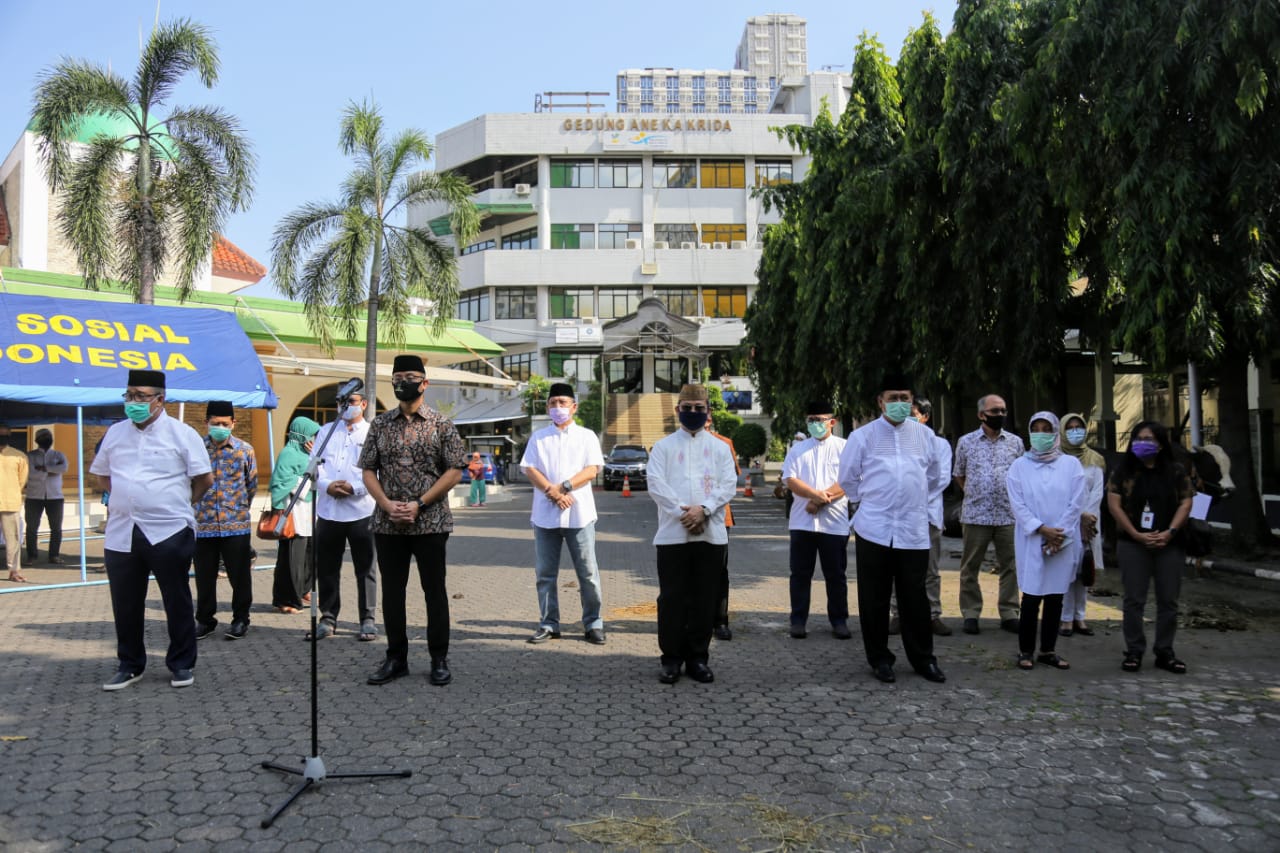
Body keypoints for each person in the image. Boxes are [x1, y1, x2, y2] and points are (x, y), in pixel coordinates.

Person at [89, 369, 213, 690]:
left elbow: (204, 479)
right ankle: (130, 664)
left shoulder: (182, 434)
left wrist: (182, 505)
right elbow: (102, 476)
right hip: (122, 531)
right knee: (126, 602)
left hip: (169, 531)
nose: (133, 402)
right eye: (129, 395)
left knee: (176, 600)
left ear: (160, 399)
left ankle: (182, 664)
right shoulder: (115, 434)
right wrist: (125, 497)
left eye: (141, 396)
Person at [359, 354, 466, 686]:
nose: (403, 382)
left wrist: (420, 502)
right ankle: (396, 658)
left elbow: (454, 470)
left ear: (424, 382)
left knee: (434, 591)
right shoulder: (379, 424)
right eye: (398, 377)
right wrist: (386, 503)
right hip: (388, 523)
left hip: (431, 522)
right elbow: (367, 469)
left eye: (410, 376)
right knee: (393, 592)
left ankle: (438, 658)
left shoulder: (441, 424)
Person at [837, 373, 947, 684]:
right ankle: (880, 659)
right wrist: (869, 501)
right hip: (875, 528)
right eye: (893, 398)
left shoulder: (924, 436)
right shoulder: (863, 437)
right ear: (880, 401)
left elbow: (937, 476)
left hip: (913, 529)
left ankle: (923, 659)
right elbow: (847, 479)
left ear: (912, 401)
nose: (899, 403)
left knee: (915, 598)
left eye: (904, 398)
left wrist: (917, 499)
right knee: (875, 597)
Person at [647, 383, 738, 684]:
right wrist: (683, 513)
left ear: (708, 412)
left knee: (704, 598)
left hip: (711, 534)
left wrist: (705, 510)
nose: (693, 413)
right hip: (673, 534)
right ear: (678, 410)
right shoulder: (663, 447)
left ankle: (698, 657)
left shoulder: (720, 448)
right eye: (687, 408)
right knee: (672, 599)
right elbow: (656, 484)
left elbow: (728, 485)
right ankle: (671, 658)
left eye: (699, 409)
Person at [519, 382, 607, 645]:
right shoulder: (538, 437)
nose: (558, 407)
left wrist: (565, 487)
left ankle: (593, 623)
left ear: (574, 406)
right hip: (546, 516)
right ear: (547, 406)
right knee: (545, 574)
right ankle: (549, 623)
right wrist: (552, 491)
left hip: (579, 515)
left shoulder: (587, 436)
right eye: (553, 402)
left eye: (563, 402)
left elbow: (593, 469)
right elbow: (529, 468)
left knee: (588, 573)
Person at [1107, 421, 1195, 674]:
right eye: (1139, 438)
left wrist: (1170, 533)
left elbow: (1186, 503)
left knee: (1168, 601)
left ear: (1160, 443)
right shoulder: (1122, 471)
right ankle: (1134, 650)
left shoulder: (1176, 471)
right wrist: (1135, 533)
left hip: (1170, 544)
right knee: (1134, 599)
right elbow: (1114, 505)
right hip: (1132, 544)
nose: (1144, 443)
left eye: (1150, 439)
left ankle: (1165, 651)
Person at [1005, 412, 1086, 671]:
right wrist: (1042, 529)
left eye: (1046, 428)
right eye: (1035, 428)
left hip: (1062, 540)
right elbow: (1017, 504)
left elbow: (1077, 501)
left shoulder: (1071, 465)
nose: (1040, 433)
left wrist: (1058, 533)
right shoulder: (1019, 466)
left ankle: (1048, 650)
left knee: (1055, 597)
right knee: (1030, 597)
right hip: (1032, 539)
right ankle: (1025, 650)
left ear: (1055, 433)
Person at [311, 388, 378, 642]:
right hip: (329, 511)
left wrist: (354, 488)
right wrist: (327, 485)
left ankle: (367, 619)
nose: (345, 406)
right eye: (341, 401)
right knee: (327, 567)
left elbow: (377, 472)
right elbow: (314, 466)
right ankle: (328, 617)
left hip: (362, 510)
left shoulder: (372, 432)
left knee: (366, 568)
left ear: (363, 404)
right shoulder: (326, 432)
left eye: (350, 401)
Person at [953, 393, 1024, 635]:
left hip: (1008, 514)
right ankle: (971, 613)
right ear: (982, 414)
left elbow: (1022, 475)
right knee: (970, 567)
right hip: (976, 515)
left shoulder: (1015, 442)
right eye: (995, 411)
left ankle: (1009, 612)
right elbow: (959, 473)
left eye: (1003, 411)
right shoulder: (966, 442)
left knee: (1011, 566)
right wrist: (976, 492)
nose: (1000, 415)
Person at [782, 401, 851, 640]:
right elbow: (789, 479)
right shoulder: (797, 449)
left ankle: (839, 620)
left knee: (836, 575)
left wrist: (820, 500)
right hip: (802, 523)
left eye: (819, 420)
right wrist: (814, 496)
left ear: (832, 422)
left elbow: (848, 479)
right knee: (800, 574)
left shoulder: (845, 448)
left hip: (834, 523)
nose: (815, 424)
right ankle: (798, 620)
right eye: (811, 420)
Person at [193, 401, 258, 641]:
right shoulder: (196, 449)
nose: (220, 427)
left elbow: (251, 485)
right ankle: (205, 620)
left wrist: (237, 509)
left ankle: (241, 619)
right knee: (204, 576)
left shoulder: (244, 450)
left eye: (224, 424)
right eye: (215, 423)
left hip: (236, 524)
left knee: (239, 576)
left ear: (233, 423)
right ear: (206, 423)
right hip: (203, 525)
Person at [889, 398, 954, 637]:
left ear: (924, 417)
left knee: (930, 569)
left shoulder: (939, 444)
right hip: (899, 516)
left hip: (927, 516)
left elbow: (941, 479)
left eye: (912, 413)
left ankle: (932, 614)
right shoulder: (891, 443)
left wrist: (913, 497)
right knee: (897, 568)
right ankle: (898, 614)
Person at [1058, 413, 1105, 637]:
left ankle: (1081, 616)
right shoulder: (1056, 458)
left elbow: (1097, 492)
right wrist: (1075, 519)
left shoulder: (1095, 459)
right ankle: (1065, 618)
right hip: (1066, 522)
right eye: (1070, 427)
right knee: (1067, 571)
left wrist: (1088, 519)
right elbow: (1059, 493)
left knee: (1084, 572)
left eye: (1079, 427)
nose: (1075, 431)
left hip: (1090, 522)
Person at [269, 416, 323, 614]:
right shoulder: (289, 453)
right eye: (312, 436)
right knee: (292, 560)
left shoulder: (310, 454)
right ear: (301, 435)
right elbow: (283, 483)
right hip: (294, 516)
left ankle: (303, 590)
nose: (314, 440)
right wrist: (308, 481)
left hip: (310, 514)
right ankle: (287, 599)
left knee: (309, 557)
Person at [706, 421, 740, 641]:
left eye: (703, 412)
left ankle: (720, 621)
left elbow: (731, 478)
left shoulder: (723, 443)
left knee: (719, 571)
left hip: (719, 516)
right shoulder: (673, 445)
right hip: (686, 516)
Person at [25, 428, 68, 565]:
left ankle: (54, 555)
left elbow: (64, 468)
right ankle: (32, 556)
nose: (46, 439)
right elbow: (31, 474)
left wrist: (44, 468)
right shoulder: (30, 456)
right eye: (43, 436)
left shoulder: (58, 455)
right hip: (34, 496)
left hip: (55, 497)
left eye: (48, 436)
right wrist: (51, 470)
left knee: (56, 528)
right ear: (36, 440)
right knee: (31, 528)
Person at [0, 423, 30, 583]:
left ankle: (14, 571)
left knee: (12, 539)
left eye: (5, 434)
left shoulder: (19, 456)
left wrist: (10, 491)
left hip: (10, 501)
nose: (2, 437)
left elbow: (22, 480)